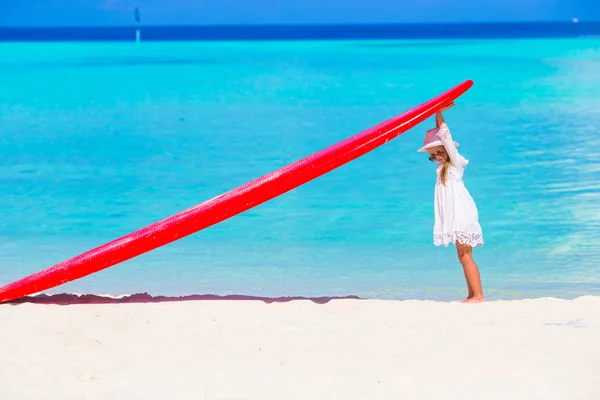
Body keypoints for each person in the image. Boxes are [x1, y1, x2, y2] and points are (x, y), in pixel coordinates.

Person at [417, 102, 485, 303]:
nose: (436, 158)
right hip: (454, 217)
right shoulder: (441, 170)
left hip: (463, 214)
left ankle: (479, 296)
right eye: (431, 157)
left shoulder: (455, 164)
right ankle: (472, 294)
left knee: (466, 255)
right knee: (462, 256)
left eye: (438, 153)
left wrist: (437, 112)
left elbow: (445, 136)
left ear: (446, 151)